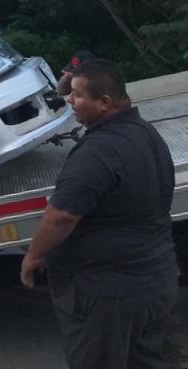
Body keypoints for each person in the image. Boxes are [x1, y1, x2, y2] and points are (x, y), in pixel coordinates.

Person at [20, 58, 178, 369]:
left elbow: (62, 215)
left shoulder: (98, 152)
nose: (69, 100)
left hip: (110, 294)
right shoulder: (145, 132)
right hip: (158, 279)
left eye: (77, 95)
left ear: (104, 102)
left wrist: (34, 256)